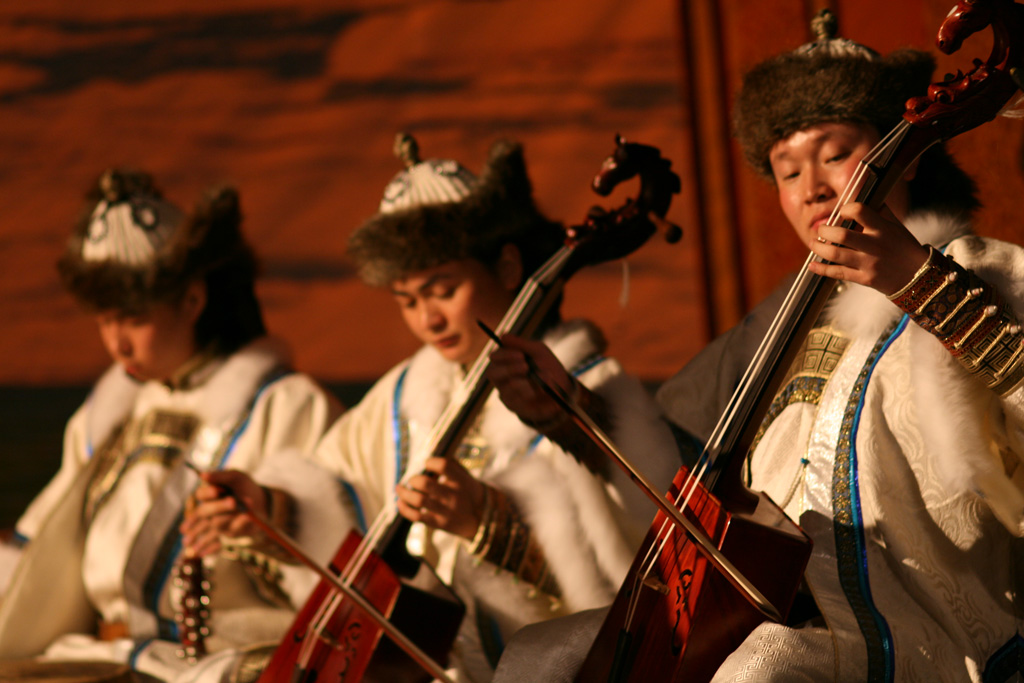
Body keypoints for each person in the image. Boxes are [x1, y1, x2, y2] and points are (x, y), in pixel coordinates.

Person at [491, 10, 1024, 683]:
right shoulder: (772, 325)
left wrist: (922, 287)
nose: (815, 190)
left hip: (936, 640)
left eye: (835, 154)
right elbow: (686, 466)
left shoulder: (977, 270)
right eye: (787, 170)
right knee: (540, 657)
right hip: (786, 619)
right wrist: (569, 406)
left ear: (904, 155)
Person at [213, 133, 677, 683]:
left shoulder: (591, 391)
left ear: (507, 267)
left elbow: (642, 579)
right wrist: (270, 508)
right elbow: (346, 502)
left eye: (443, 289)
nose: (427, 320)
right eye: (408, 301)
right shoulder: (401, 395)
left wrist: (487, 522)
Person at [0, 169, 343, 683]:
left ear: (191, 300)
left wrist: (264, 519)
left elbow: (336, 565)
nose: (116, 344)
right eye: (104, 320)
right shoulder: (108, 417)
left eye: (133, 319)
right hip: (101, 654)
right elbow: (39, 548)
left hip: (224, 663)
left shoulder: (286, 406)